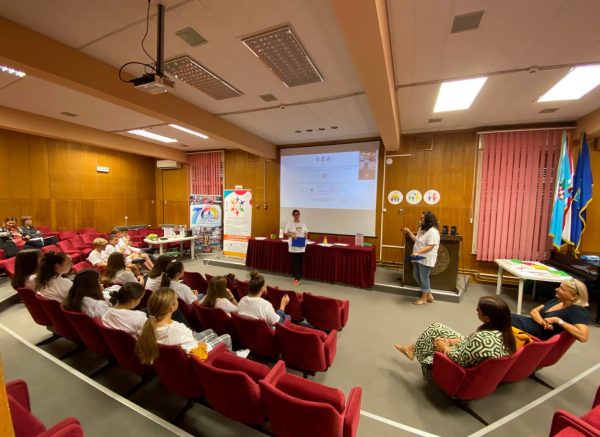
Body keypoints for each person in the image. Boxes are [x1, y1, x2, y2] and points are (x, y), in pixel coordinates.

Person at [394, 296, 516, 379]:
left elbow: (459, 360)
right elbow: (470, 341)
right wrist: (449, 341)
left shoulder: (480, 339)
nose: (476, 310)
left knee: (435, 341)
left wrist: (445, 347)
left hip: (460, 366)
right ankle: (411, 349)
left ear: (488, 318)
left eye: (479, 310)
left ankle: (414, 352)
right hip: (470, 352)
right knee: (436, 328)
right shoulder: (504, 331)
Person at [134, 288, 232, 365]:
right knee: (227, 337)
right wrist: (203, 345)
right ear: (171, 307)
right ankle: (227, 362)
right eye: (176, 299)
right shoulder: (178, 329)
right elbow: (198, 354)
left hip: (181, 349)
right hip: (196, 356)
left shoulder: (146, 327)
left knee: (211, 331)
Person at [511, 279, 590, 342]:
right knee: (504, 314)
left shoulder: (577, 311)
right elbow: (534, 311)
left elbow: (583, 337)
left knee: (504, 319)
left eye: (562, 289)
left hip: (534, 333)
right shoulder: (558, 300)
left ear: (574, 297)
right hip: (529, 323)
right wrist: (542, 322)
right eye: (559, 287)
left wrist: (558, 320)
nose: (556, 289)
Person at [404, 211, 441, 305]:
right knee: (416, 276)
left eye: (422, 218)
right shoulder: (422, 229)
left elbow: (430, 246)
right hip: (418, 257)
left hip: (426, 258)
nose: (420, 220)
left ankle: (424, 298)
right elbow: (417, 240)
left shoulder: (433, 231)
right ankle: (429, 294)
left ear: (428, 220)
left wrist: (417, 252)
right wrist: (409, 232)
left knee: (424, 278)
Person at [284, 209, 308, 286]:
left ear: (299, 215)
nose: (296, 216)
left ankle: (296, 275)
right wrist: (291, 235)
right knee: (295, 261)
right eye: (295, 214)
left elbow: (306, 232)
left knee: (299, 261)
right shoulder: (290, 223)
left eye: (298, 214)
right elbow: (285, 233)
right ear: (293, 215)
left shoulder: (303, 223)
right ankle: (296, 279)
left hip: (301, 244)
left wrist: (305, 235)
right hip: (293, 245)